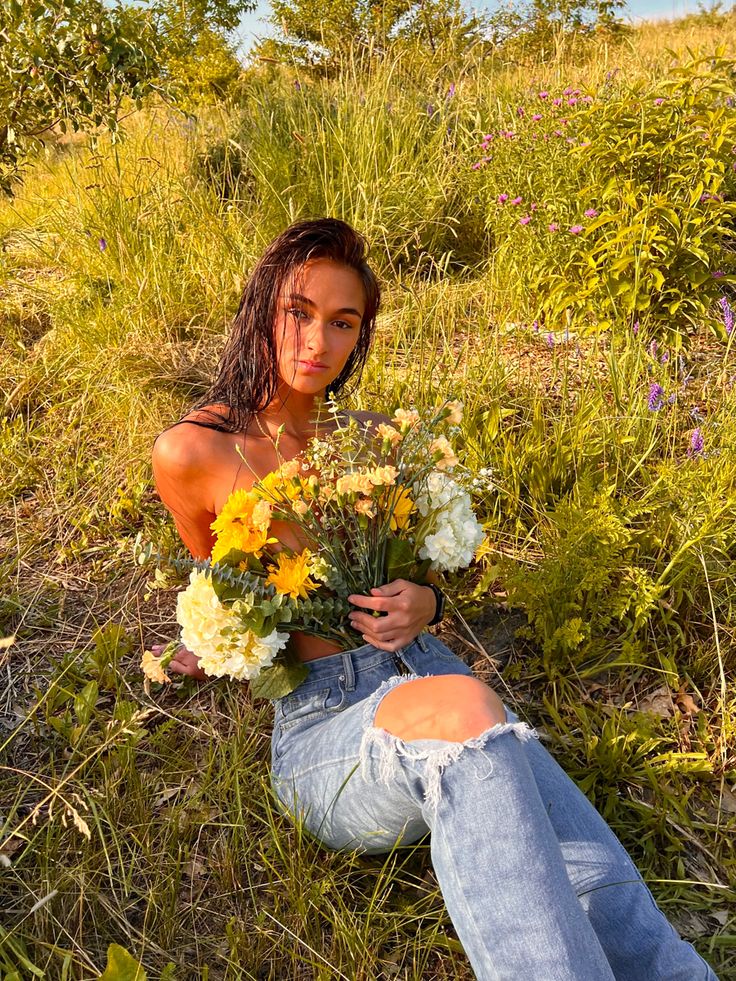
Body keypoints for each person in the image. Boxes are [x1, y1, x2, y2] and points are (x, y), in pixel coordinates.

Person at [151, 217, 718, 981]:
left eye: (342, 322)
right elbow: (219, 583)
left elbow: (426, 574)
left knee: (598, 882)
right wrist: (214, 642)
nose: (317, 339)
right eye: (299, 311)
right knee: (472, 716)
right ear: (262, 305)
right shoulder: (194, 451)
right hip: (326, 721)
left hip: (426, 668)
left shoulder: (375, 440)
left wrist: (428, 603)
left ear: (360, 336)